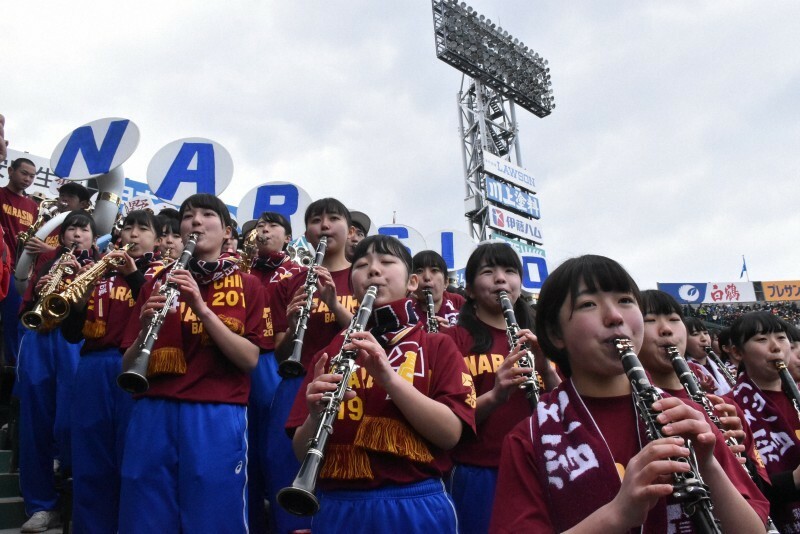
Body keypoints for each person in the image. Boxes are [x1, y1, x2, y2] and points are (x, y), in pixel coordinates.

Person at [490, 255, 768, 533]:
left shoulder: (685, 415)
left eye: (625, 301)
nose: (615, 316)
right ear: (554, 332)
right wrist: (616, 515)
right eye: (588, 304)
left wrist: (707, 465)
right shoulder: (529, 438)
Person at [286, 234, 476, 533]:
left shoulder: (438, 345)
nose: (374, 270)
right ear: (351, 285)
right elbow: (300, 451)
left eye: (387, 262)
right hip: (338, 505)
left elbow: (451, 434)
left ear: (412, 282)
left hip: (415, 504)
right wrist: (314, 415)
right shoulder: (331, 351)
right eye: (361, 265)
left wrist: (388, 378)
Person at [118, 193, 268, 533]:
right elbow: (127, 366)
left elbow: (249, 359)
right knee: (143, 513)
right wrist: (144, 327)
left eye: (206, 215)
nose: (195, 222)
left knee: (214, 515)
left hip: (214, 411)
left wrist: (201, 307)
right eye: (188, 216)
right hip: (152, 408)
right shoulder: (156, 282)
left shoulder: (250, 285)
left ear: (228, 231)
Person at [443, 242, 559, 533]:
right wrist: (496, 395)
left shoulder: (543, 339)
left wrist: (545, 367)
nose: (500, 279)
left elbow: (566, 407)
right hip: (478, 470)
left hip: (541, 466)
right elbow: (448, 419)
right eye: (488, 271)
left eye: (510, 271)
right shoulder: (452, 340)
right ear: (469, 290)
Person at [61, 209, 163, 534]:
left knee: (132, 462)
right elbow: (72, 335)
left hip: (133, 368)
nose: (133, 234)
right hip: (91, 366)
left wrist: (134, 276)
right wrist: (75, 305)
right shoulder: (98, 273)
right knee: (90, 460)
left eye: (142, 229)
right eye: (128, 227)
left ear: (157, 240)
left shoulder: (160, 274)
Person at [267, 198, 359, 534]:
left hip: (351, 388)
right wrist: (293, 326)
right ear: (306, 232)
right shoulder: (291, 280)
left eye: (333, 218)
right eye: (316, 220)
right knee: (285, 465)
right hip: (297, 383)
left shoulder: (364, 274)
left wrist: (333, 304)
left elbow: (372, 338)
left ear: (350, 231)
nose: (323, 225)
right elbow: (279, 355)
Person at [16, 210, 98, 533]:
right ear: (62, 235)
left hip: (74, 342)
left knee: (72, 420)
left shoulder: (102, 262)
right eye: (72, 229)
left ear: (93, 236)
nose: (77, 234)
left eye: (84, 229)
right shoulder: (48, 259)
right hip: (41, 338)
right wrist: (47, 282)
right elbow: (27, 293)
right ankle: (40, 506)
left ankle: (75, 497)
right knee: (34, 422)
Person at [244, 211, 303, 533]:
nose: (263, 231)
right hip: (239, 359)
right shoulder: (239, 270)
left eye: (272, 226)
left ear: (288, 237)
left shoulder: (297, 272)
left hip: (275, 362)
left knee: (276, 452)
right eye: (260, 227)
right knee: (244, 452)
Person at [727, 311, 800, 532]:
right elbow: (740, 486)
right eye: (761, 339)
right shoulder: (729, 408)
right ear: (737, 353)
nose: (776, 347)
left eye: (781, 337)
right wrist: (794, 479)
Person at [0, 157, 38, 365]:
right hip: (0, 265)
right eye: (24, 173)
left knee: (13, 323)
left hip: (18, 272)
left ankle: (12, 368)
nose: (27, 179)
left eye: (32, 176)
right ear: (10, 171)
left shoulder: (32, 206)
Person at [23, 182, 93, 257]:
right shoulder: (52, 223)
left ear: (83, 204)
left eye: (71, 196)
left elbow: (82, 254)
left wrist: (49, 249)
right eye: (62, 195)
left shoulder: (86, 227)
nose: (64, 199)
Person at [411, 249, 465, 330]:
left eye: (434, 270)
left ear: (446, 282)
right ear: (412, 282)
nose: (427, 277)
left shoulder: (463, 314)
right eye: (419, 271)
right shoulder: (404, 317)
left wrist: (451, 335)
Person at [684, 317, 733, 395]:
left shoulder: (715, 363)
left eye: (706, 333)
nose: (704, 338)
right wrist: (701, 390)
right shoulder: (685, 369)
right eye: (695, 334)